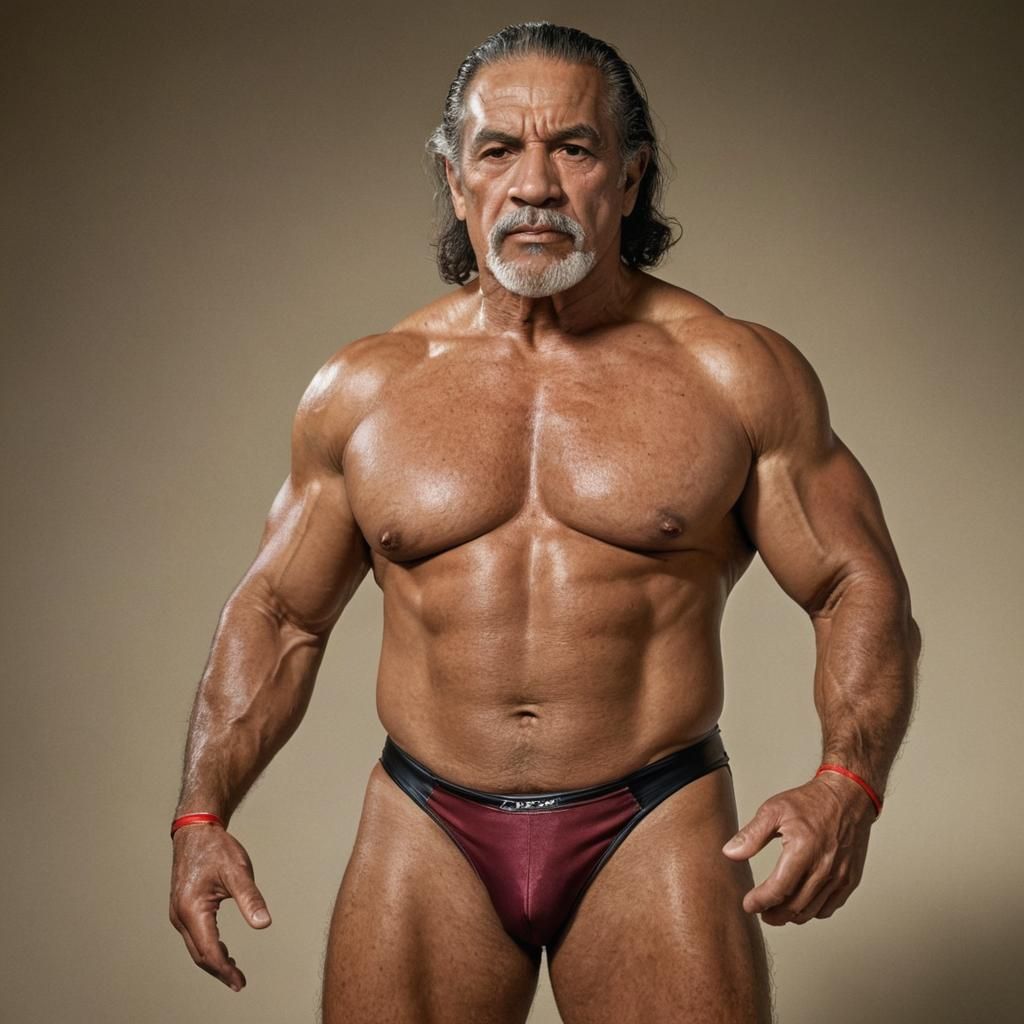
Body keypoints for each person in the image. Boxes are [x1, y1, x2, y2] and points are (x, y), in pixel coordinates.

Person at [169, 22, 920, 1024]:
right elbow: (278, 613)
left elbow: (854, 581)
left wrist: (846, 784)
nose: (533, 185)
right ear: (454, 179)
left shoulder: (730, 372)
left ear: (629, 175)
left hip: (650, 816)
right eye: (497, 150)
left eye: (573, 147)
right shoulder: (365, 387)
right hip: (425, 819)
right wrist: (200, 814)